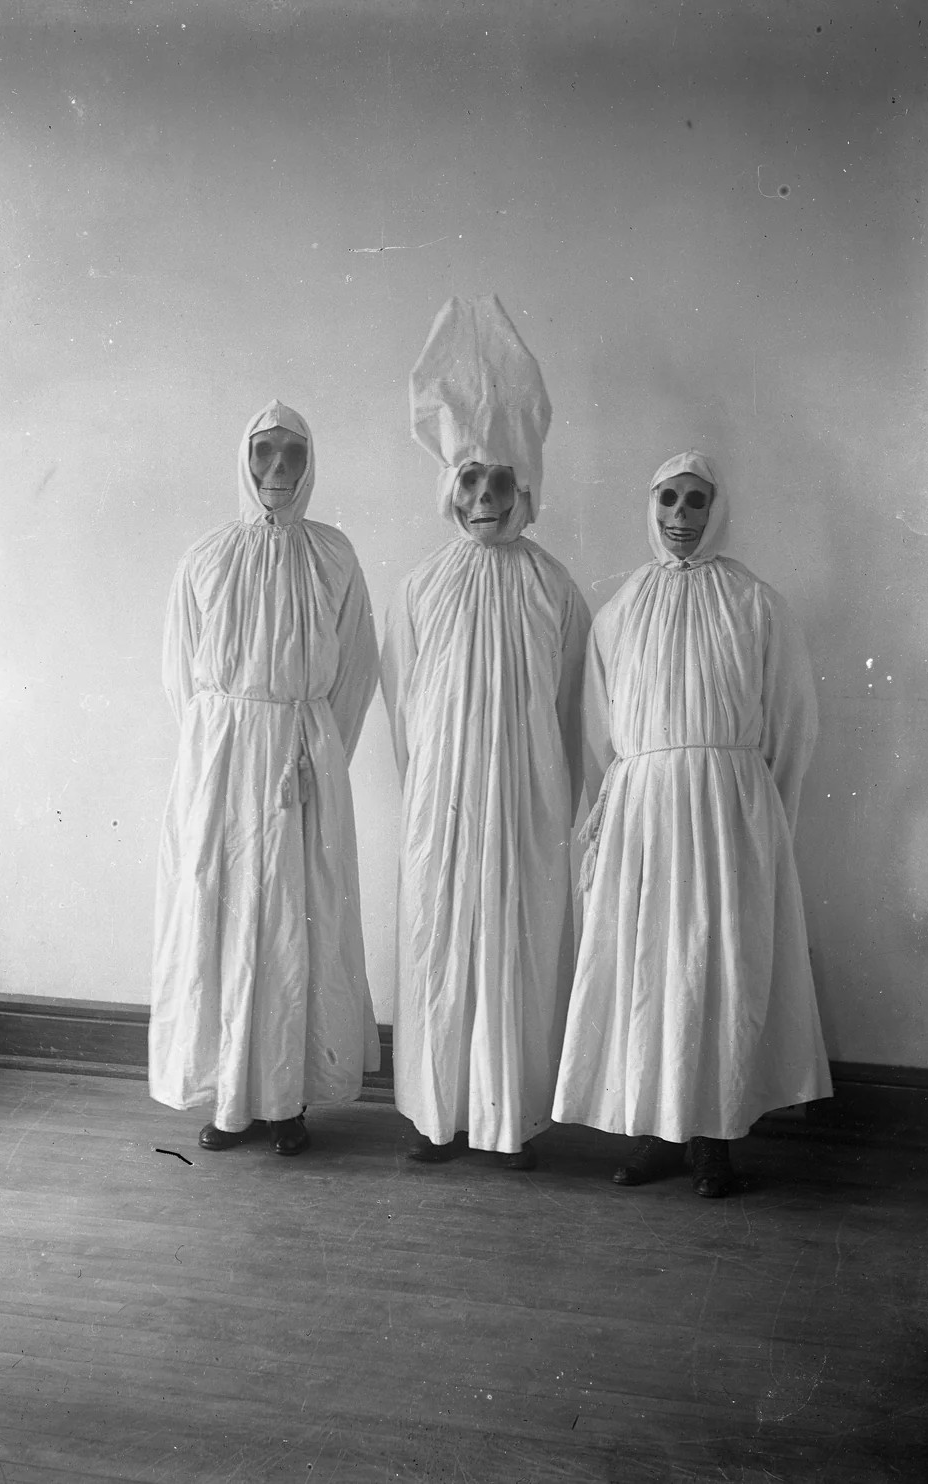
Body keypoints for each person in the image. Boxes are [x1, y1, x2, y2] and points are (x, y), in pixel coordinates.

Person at [552, 451, 832, 1197]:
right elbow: (598, 734)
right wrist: (613, 818)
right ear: (652, 507)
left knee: (717, 966)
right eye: (669, 500)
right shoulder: (620, 610)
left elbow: (790, 724)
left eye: (696, 501)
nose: (681, 516)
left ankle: (714, 1137)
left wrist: (756, 816)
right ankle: (658, 1134)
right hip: (645, 810)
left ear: (717, 510)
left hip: (728, 811)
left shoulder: (756, 603)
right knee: (651, 965)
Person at [381, 295, 590, 1171]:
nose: (483, 498)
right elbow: (400, 700)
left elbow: (576, 704)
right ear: (449, 490)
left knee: (516, 938)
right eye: (469, 481)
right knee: (442, 935)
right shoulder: (422, 589)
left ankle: (509, 1119)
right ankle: (440, 1114)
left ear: (524, 492)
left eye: (498, 483)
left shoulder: (553, 589)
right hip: (445, 794)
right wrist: (434, 784)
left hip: (526, 791)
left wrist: (551, 798)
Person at [149, 400, 380, 1155]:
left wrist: (313, 749)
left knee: (293, 922)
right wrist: (225, 747)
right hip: (222, 761)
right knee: (224, 921)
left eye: (292, 455)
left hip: (301, 760)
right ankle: (230, 1101)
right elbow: (183, 677)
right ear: (243, 462)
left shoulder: (335, 556)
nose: (277, 471)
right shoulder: (206, 557)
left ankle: (288, 1102)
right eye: (263, 454)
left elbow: (355, 670)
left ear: (311, 465)